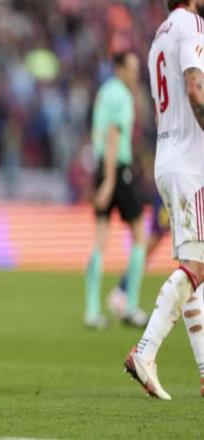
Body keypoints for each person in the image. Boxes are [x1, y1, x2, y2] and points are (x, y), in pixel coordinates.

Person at [125, 0, 204, 400]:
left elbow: (160, 112)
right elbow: (194, 86)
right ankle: (145, 350)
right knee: (196, 265)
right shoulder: (193, 25)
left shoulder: (159, 37)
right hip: (192, 163)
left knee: (194, 268)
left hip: (167, 158)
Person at [84, 50, 148, 330]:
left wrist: (103, 177)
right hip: (118, 170)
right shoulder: (122, 96)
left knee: (100, 239)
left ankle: (92, 310)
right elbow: (113, 135)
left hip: (101, 166)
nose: (135, 74)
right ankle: (130, 306)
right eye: (131, 69)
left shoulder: (104, 92)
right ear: (119, 68)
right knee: (140, 236)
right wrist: (111, 180)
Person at [109, 193, 170, 317]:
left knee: (153, 242)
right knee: (152, 241)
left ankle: (122, 290)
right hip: (174, 193)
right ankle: (122, 289)